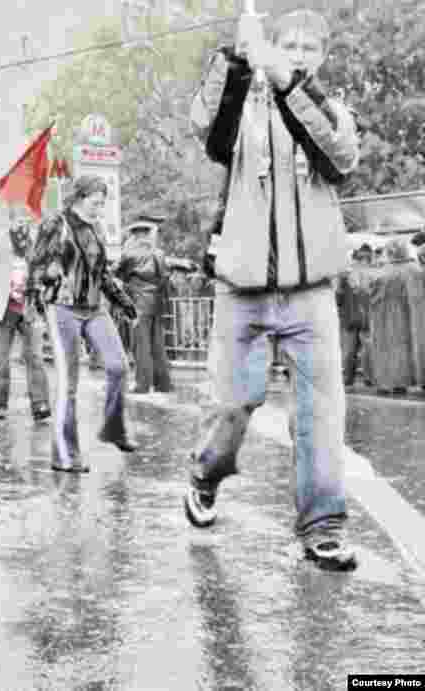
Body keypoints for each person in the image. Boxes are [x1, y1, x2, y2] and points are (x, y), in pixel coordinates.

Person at [186, 9, 360, 570]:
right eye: (291, 43)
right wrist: (237, 58)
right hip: (242, 290)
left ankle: (322, 526)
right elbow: (207, 131)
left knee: (320, 414)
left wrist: (288, 82)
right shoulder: (242, 105)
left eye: (312, 46)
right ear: (272, 45)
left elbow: (340, 157)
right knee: (231, 408)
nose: (302, 51)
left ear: (323, 56)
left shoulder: (330, 107)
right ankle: (206, 476)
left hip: (311, 292)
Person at [30, 175, 139, 473]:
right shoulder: (57, 223)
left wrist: (123, 301)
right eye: (95, 202)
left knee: (118, 366)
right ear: (79, 197)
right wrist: (47, 276)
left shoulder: (98, 229)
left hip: (93, 308)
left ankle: (114, 428)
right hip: (62, 307)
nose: (99, 208)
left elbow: (102, 274)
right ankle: (65, 455)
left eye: (103, 203)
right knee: (69, 384)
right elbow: (36, 263)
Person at [0, 221, 51, 422]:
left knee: (35, 357)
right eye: (18, 220)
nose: (22, 225)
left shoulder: (37, 247)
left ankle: (40, 404)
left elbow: (46, 276)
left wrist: (41, 292)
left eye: (26, 220)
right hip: (3, 309)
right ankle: (0, 404)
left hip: (30, 308)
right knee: (0, 360)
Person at [116, 218, 174, 393]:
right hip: (156, 303)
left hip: (138, 302)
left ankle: (142, 384)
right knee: (158, 344)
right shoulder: (159, 254)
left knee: (141, 345)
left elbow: (119, 274)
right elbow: (165, 277)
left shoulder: (129, 255)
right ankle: (163, 383)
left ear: (134, 235)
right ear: (147, 234)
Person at [367, 238, 418, 394]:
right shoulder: (414, 270)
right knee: (402, 348)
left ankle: (384, 383)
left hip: (381, 315)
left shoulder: (382, 272)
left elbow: (370, 293)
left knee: (383, 349)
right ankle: (400, 383)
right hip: (406, 315)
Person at [335, 243, 373, 388]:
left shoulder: (344, 275)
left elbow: (338, 297)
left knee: (348, 350)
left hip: (348, 317)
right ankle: (370, 378)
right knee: (368, 349)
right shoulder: (373, 274)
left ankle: (347, 378)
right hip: (367, 317)